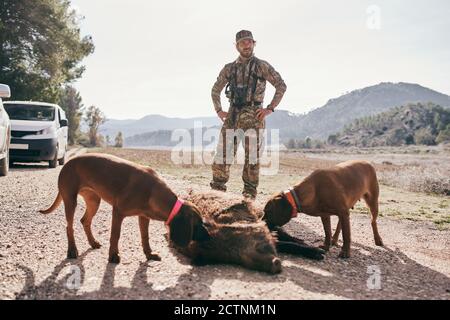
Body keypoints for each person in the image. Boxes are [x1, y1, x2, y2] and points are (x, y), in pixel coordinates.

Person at [210, 30, 287, 199]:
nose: (246, 45)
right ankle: (217, 193)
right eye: (242, 42)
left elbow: (281, 85)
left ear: (254, 43)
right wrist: (218, 110)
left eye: (249, 42)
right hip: (232, 115)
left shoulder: (262, 66)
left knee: (252, 159)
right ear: (237, 46)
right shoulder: (229, 68)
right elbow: (215, 90)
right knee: (223, 154)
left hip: (254, 116)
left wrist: (270, 108)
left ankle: (249, 196)